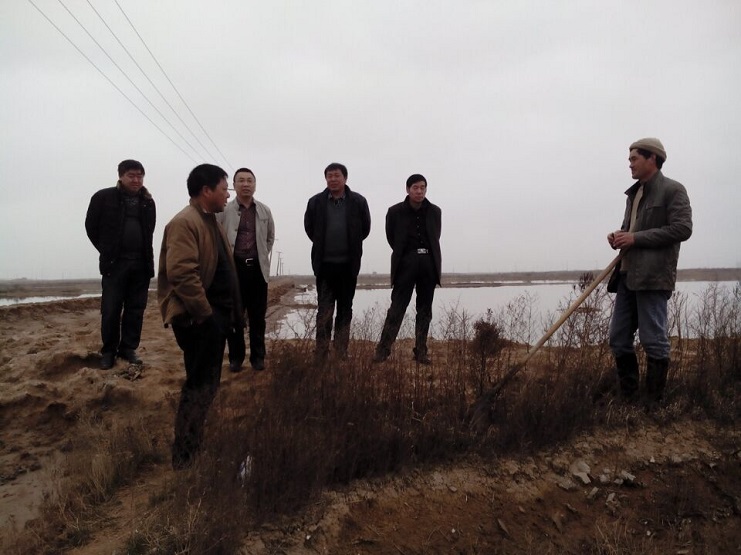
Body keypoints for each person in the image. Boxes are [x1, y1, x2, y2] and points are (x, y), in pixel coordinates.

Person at [157, 163, 243, 470]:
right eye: (224, 189)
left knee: (207, 384)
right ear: (206, 190)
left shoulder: (209, 220)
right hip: (199, 320)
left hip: (213, 318)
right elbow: (182, 274)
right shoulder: (185, 222)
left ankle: (193, 446)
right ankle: (184, 457)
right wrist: (206, 315)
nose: (227, 195)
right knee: (198, 386)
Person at [607, 138, 692, 402]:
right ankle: (629, 400)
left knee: (653, 340)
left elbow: (682, 229)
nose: (630, 164)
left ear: (652, 158)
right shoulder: (634, 194)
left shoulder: (673, 190)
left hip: (653, 278)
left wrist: (635, 238)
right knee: (618, 338)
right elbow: (632, 231)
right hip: (626, 275)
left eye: (634, 158)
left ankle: (653, 405)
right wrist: (619, 236)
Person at [85, 159, 156, 370]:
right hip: (115, 265)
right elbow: (91, 227)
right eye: (131, 176)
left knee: (136, 310)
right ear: (120, 176)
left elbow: (149, 230)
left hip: (141, 264)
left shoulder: (148, 201)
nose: (136, 180)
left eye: (140, 176)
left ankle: (128, 348)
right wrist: (107, 250)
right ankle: (108, 351)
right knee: (111, 309)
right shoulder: (103, 197)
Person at [304, 162, 371, 361]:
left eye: (337, 175)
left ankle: (341, 351)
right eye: (329, 176)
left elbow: (365, 229)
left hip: (348, 267)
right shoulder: (315, 202)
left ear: (345, 178)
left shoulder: (358, 201)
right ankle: (321, 352)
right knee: (324, 310)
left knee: (344, 310)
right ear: (326, 179)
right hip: (325, 266)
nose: (333, 179)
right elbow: (310, 228)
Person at [373, 174, 442, 365]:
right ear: (408, 189)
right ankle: (382, 350)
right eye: (415, 188)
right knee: (397, 308)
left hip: (428, 263)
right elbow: (391, 238)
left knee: (425, 310)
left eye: (422, 187)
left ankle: (421, 352)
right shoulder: (395, 212)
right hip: (405, 263)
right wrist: (406, 255)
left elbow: (435, 235)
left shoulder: (435, 211)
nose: (419, 191)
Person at [216, 168, 275, 372]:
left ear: (255, 185)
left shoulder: (264, 211)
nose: (246, 184)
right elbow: (217, 236)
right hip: (234, 270)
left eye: (250, 180)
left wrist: (260, 255)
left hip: (257, 270)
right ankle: (236, 358)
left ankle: (258, 357)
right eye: (241, 180)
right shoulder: (224, 210)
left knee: (258, 317)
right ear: (234, 185)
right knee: (234, 316)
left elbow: (269, 238)